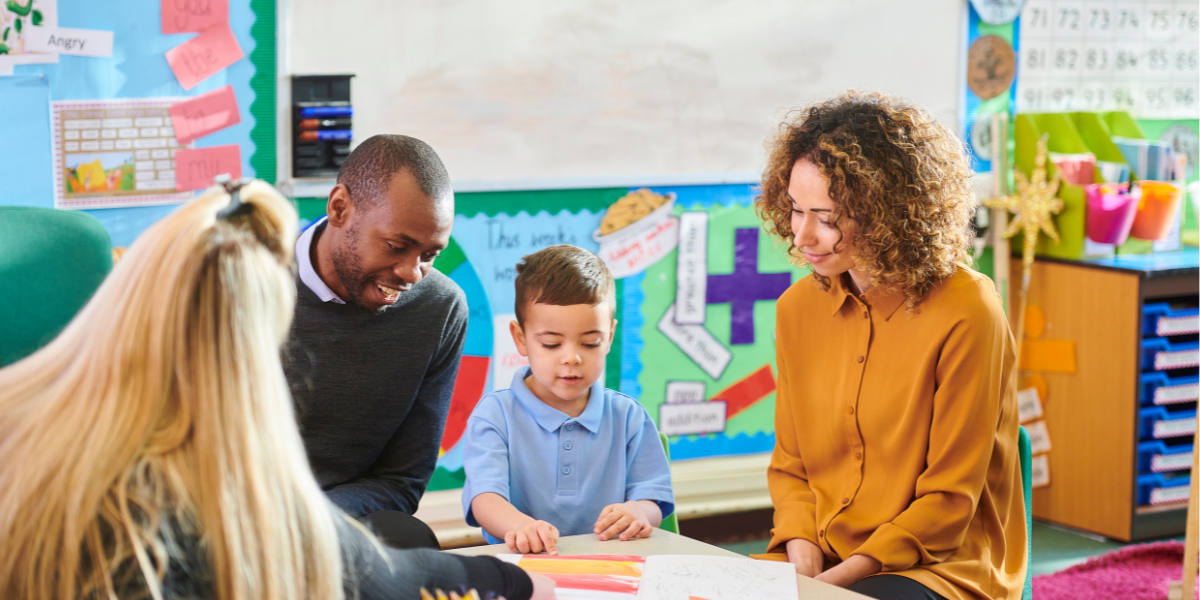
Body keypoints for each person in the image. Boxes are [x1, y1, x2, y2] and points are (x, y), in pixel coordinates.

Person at [0, 182, 555, 600]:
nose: (412, 273)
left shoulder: (21, 414)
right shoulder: (196, 505)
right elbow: (373, 571)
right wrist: (516, 583)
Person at [757, 91, 1026, 600]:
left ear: (890, 214)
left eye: (829, 218)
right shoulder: (796, 310)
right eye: (795, 210)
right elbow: (791, 466)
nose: (802, 236)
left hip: (937, 564)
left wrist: (830, 586)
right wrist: (803, 561)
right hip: (822, 554)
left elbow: (949, 499)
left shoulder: (969, 309)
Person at [285, 134, 466, 549]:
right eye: (396, 246)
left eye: (430, 255)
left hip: (334, 526)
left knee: (408, 538)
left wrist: (306, 523)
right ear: (339, 209)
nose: (412, 273)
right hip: (226, 522)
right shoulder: (241, 285)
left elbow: (402, 481)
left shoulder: (439, 309)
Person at [462, 245, 675, 554]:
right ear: (521, 338)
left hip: (613, 565)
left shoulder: (628, 416)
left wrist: (640, 511)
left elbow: (653, 497)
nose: (572, 358)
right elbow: (484, 499)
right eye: (551, 344)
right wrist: (519, 526)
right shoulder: (496, 415)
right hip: (526, 566)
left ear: (610, 337)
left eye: (590, 343)